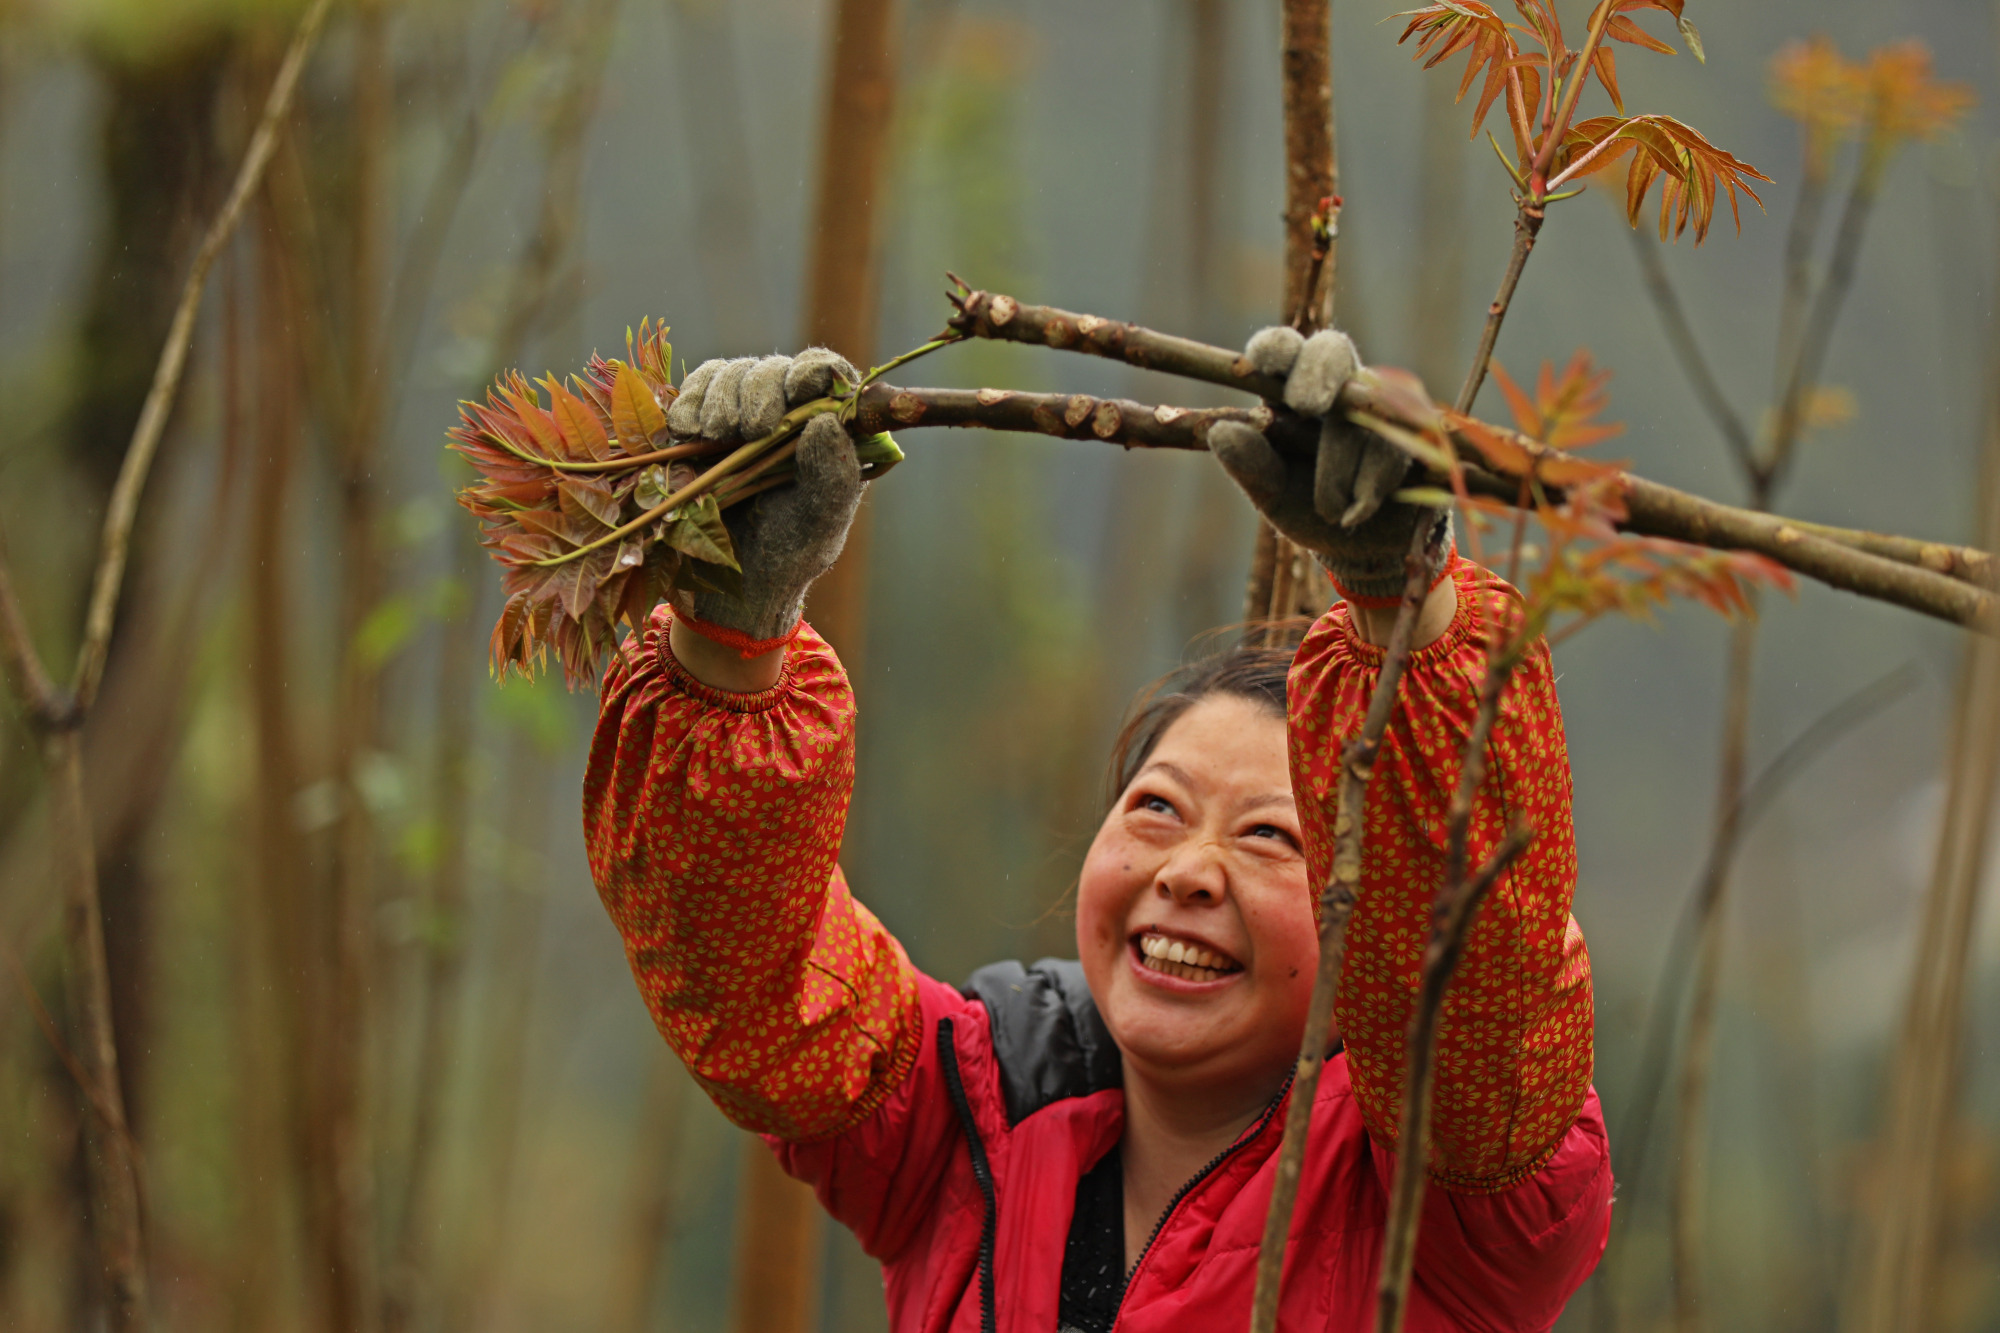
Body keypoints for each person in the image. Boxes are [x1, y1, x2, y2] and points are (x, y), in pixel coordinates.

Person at [583, 329, 1611, 1332]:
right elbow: (751, 973)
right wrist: (727, 640)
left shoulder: (1447, 1197)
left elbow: (1480, 1001)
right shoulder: (965, 1111)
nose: (1187, 871)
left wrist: (1407, 608)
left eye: (1268, 837)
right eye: (1155, 808)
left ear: (1367, 899)